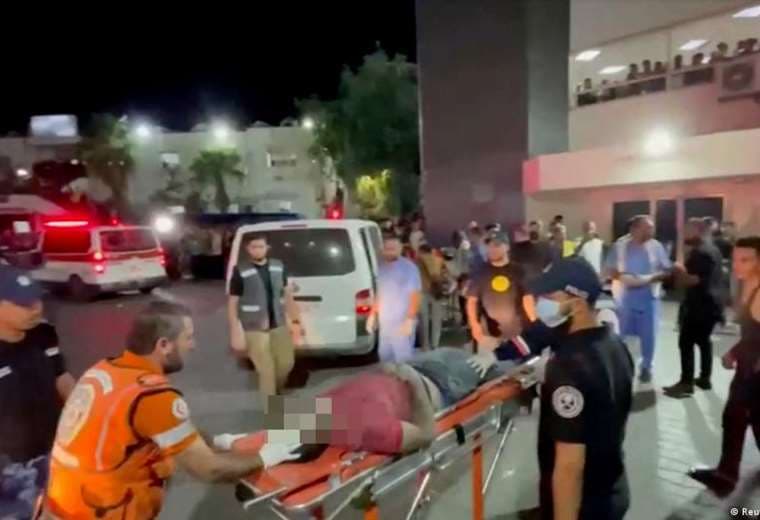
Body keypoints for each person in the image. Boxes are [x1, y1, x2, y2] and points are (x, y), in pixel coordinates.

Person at [42, 301, 301, 520]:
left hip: (63, 503)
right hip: (102, 511)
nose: (193, 345)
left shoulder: (104, 371)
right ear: (164, 345)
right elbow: (209, 469)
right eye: (188, 337)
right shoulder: (152, 395)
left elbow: (162, 429)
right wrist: (265, 457)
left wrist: (218, 441)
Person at [216, 347, 515, 457]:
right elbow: (426, 434)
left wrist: (234, 442)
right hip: (441, 381)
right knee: (499, 368)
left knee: (481, 356)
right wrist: (413, 383)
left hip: (413, 365)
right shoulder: (369, 429)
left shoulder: (322, 410)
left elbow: (274, 428)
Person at [528, 258, 634, 520]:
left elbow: (569, 466)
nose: (540, 303)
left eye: (549, 296)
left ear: (576, 303)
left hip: (583, 505)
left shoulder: (569, 365)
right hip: (612, 489)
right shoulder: (614, 344)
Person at [0, 267, 75, 519]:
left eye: (37, 299)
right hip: (9, 469)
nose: (36, 309)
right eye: (23, 303)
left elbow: (61, 377)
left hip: (53, 453)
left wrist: (85, 415)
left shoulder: (43, 334)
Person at [688, 236, 760, 498]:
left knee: (734, 418)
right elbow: (752, 332)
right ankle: (726, 475)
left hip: (754, 373)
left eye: (746, 260)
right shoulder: (747, 285)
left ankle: (725, 477)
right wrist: (734, 351)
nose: (737, 265)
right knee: (750, 419)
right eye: (735, 259)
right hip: (748, 367)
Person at [228, 233, 303, 398]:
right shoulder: (240, 270)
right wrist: (234, 329)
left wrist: (296, 320)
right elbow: (233, 302)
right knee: (266, 370)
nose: (257, 250)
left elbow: (287, 295)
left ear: (267, 248)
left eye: (261, 246)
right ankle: (273, 407)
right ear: (248, 249)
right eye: (254, 247)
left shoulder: (278, 266)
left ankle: (276, 390)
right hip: (254, 327)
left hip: (279, 323)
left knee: (286, 363)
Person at [605, 215, 672, 383]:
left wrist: (649, 278)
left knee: (649, 335)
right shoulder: (619, 246)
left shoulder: (656, 247)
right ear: (634, 229)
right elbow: (610, 270)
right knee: (620, 335)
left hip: (649, 299)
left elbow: (666, 271)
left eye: (652, 228)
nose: (651, 231)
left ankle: (646, 367)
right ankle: (620, 366)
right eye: (647, 228)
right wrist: (624, 278)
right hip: (624, 299)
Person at [664, 218, 724, 397]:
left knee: (686, 342)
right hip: (713, 304)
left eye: (687, 229)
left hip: (699, 305)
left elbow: (692, 280)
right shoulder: (714, 249)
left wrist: (678, 270)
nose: (684, 233)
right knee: (704, 342)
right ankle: (705, 379)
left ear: (697, 230)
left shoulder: (700, 252)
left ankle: (686, 382)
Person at [466, 230, 534, 353]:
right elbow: (472, 301)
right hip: (488, 337)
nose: (492, 249)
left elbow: (527, 299)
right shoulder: (480, 272)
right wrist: (474, 326)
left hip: (517, 336)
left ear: (507, 247)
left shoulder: (519, 271)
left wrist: (534, 325)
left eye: (497, 245)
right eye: (489, 246)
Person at [367, 233, 422, 362]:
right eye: (387, 249)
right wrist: (373, 314)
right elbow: (380, 293)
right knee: (385, 358)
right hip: (385, 324)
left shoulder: (409, 268)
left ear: (400, 249)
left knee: (403, 360)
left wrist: (410, 319)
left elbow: (415, 294)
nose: (390, 252)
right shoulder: (381, 268)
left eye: (393, 249)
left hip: (402, 322)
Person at [417, 243, 448, 350]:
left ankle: (425, 345)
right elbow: (444, 274)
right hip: (436, 291)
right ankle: (435, 343)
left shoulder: (419, 260)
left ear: (421, 251)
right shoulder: (439, 260)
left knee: (423, 319)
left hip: (422, 290)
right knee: (436, 318)